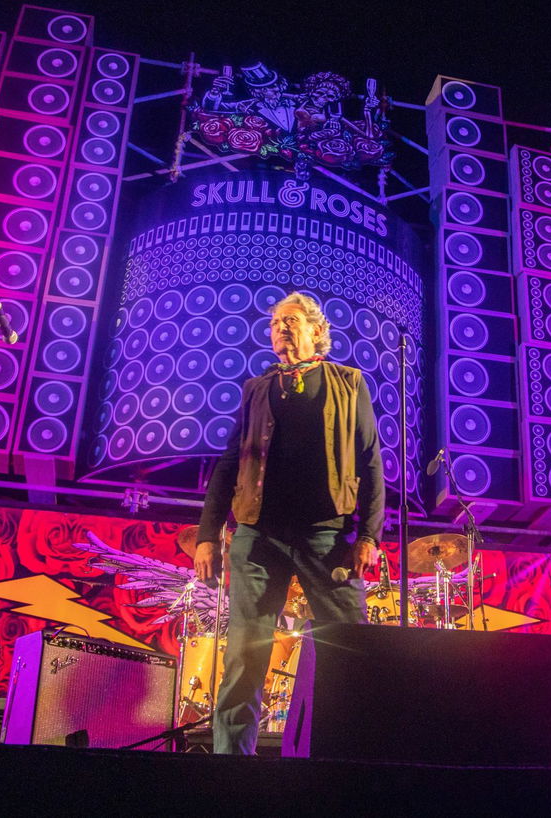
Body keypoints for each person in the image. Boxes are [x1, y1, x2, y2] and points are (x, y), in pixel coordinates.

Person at [195, 291, 385, 755]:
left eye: (292, 319)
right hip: (259, 536)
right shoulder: (257, 388)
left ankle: (353, 758)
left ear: (317, 331)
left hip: (328, 535)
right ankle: (230, 767)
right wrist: (207, 535)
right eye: (275, 321)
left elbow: (370, 461)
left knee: (351, 647)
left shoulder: (348, 382)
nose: (281, 327)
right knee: (244, 654)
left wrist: (369, 535)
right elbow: (228, 462)